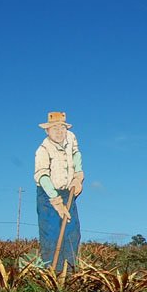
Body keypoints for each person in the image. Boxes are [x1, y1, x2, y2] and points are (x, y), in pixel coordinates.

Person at [34, 112, 84, 271]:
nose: (59, 131)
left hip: (67, 192)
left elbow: (76, 154)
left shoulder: (71, 137)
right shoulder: (43, 150)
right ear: (47, 131)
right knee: (52, 234)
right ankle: (51, 272)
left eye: (62, 127)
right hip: (48, 195)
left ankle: (68, 273)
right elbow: (42, 177)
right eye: (54, 128)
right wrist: (57, 203)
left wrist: (78, 176)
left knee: (72, 233)